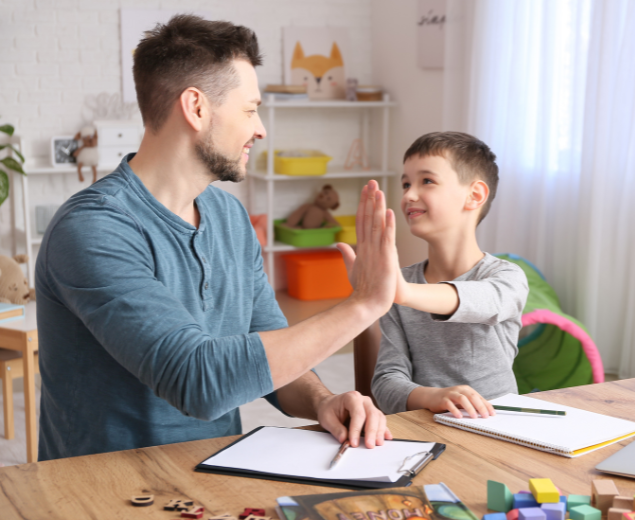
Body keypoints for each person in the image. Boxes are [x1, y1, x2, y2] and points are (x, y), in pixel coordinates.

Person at [35, 15, 398, 461]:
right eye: (250, 110)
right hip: (104, 492)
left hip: (210, 476)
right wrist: (364, 303)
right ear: (196, 108)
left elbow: (270, 353)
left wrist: (322, 401)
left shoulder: (228, 216)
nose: (260, 128)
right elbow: (198, 381)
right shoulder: (93, 228)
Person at [368, 132, 529, 418]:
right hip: (424, 426)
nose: (408, 195)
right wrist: (434, 397)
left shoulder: (507, 277)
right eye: (406, 184)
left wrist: (402, 292)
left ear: (474, 195)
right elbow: (386, 384)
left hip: (499, 429)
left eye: (426, 181)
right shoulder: (400, 287)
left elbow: (485, 303)